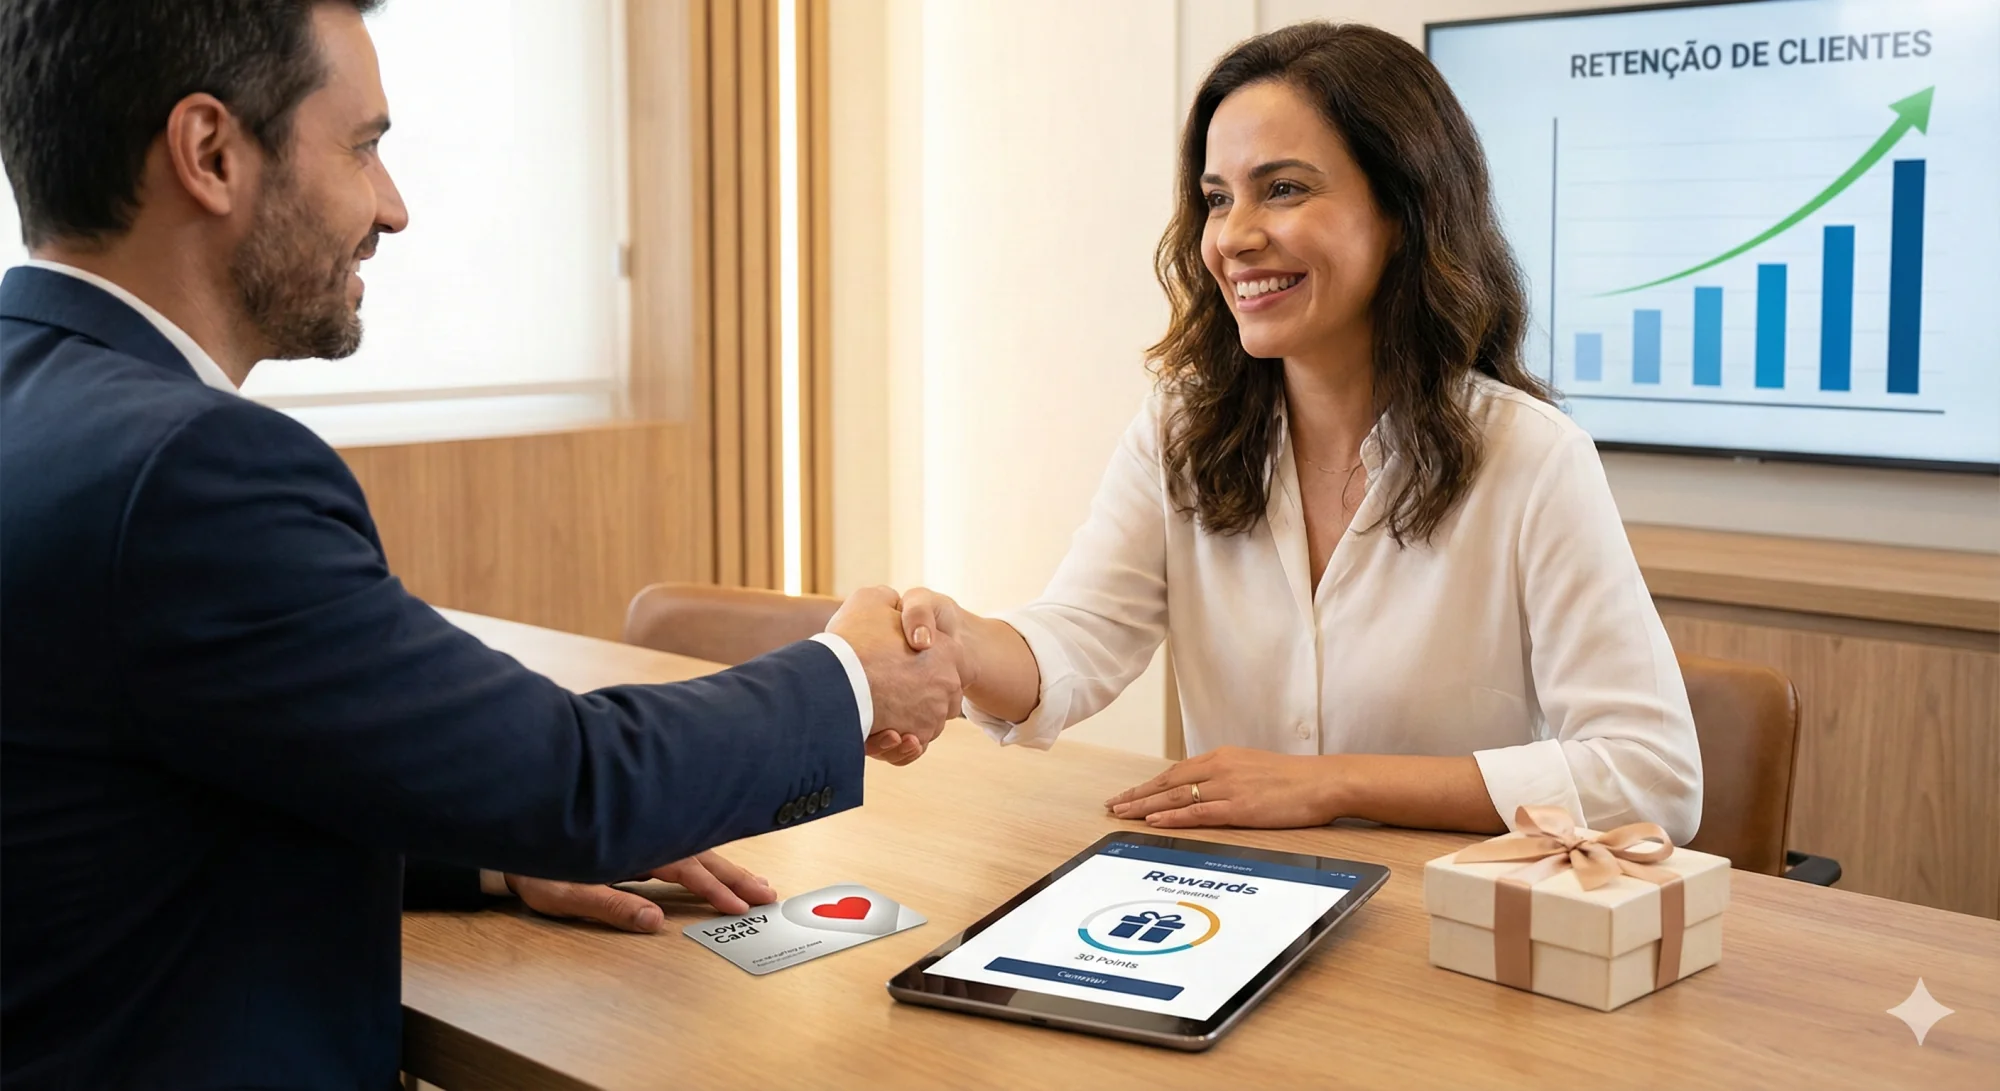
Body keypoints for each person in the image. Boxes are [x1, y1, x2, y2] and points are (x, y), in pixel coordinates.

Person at [0, 2, 956, 1088]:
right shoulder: (194, 471)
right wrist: (854, 678)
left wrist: (489, 857)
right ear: (211, 153)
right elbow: (576, 779)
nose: (391, 209)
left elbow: (147, 786)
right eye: (363, 147)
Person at [897, 23, 1701, 843]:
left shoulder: (1531, 456)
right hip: (1239, 911)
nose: (1234, 237)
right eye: (1217, 198)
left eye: (1282, 189)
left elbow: (1652, 775)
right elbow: (1079, 636)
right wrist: (959, 647)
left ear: (1404, 209)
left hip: (1446, 927)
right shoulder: (1180, 430)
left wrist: (1328, 785)